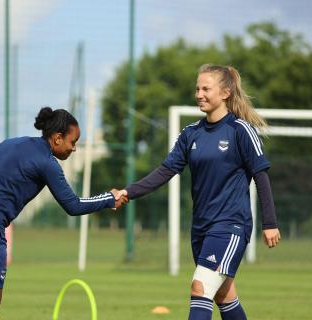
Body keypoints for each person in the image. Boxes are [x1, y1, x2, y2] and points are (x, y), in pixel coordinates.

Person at [118, 64, 281, 320]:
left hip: (230, 226)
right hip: (201, 228)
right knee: (224, 296)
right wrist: (128, 192)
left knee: (200, 288)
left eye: (206, 88)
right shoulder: (190, 133)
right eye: (197, 89)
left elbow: (261, 177)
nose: (199, 94)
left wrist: (269, 223)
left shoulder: (241, 130)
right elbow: (164, 172)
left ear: (225, 93)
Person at [0, 107, 127, 320]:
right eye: (73, 142)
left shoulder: (15, 142)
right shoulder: (47, 162)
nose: (74, 148)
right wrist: (109, 199)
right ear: (58, 138)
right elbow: (73, 205)